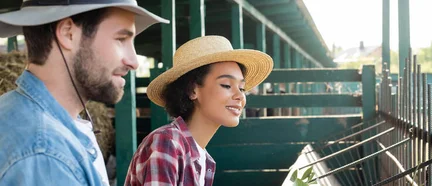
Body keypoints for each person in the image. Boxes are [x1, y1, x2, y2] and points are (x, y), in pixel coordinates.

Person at [0, 0, 168, 185]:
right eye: (121, 39)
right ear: (68, 34)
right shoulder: (45, 155)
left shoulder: (13, 111)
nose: (134, 61)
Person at [124, 35, 273, 186]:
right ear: (192, 90)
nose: (240, 96)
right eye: (226, 85)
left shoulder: (204, 160)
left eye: (242, 88)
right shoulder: (167, 142)